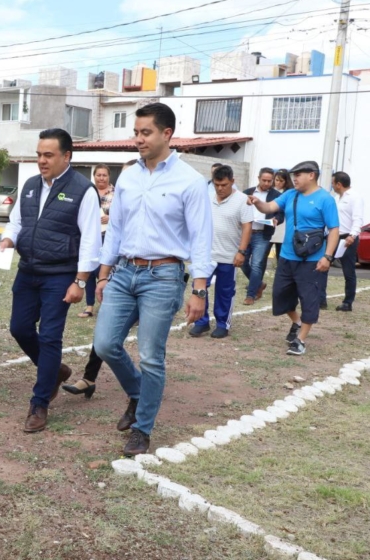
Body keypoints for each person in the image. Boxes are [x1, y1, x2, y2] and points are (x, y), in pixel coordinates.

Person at [94, 102, 213, 456]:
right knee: (105, 345)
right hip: (124, 271)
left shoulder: (190, 181)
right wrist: (103, 274)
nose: (138, 139)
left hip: (163, 275)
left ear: (166, 134)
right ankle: (137, 392)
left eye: (146, 132)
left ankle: (142, 428)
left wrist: (199, 290)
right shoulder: (128, 175)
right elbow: (115, 228)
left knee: (150, 356)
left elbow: (201, 238)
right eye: (136, 132)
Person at [0, 128, 102, 433]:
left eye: (48, 155)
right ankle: (55, 370)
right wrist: (6, 240)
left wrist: (80, 282)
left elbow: (90, 241)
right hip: (28, 270)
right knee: (19, 327)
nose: (41, 161)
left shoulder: (83, 190)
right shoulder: (30, 186)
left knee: (50, 336)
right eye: (38, 155)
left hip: (60, 275)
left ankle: (40, 403)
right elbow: (16, 222)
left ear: (67, 156)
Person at [248, 161, 339, 356]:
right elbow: (268, 207)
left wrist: (328, 257)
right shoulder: (290, 195)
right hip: (287, 256)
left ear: (312, 175)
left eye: (298, 175)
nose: (294, 178)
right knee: (280, 296)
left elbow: (333, 230)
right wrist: (257, 202)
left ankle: (301, 340)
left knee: (309, 299)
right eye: (293, 175)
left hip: (312, 259)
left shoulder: (325, 199)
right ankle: (296, 322)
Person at [64, 159, 137, 399]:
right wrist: (103, 275)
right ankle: (89, 378)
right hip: (120, 273)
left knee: (150, 342)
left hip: (152, 277)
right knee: (104, 329)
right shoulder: (119, 205)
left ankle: (149, 385)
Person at [189, 164, 252, 339]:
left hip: (229, 255)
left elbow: (247, 228)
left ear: (232, 181)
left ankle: (223, 323)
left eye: (224, 184)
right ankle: (201, 322)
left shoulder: (243, 200)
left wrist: (241, 252)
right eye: (217, 184)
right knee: (200, 288)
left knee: (225, 292)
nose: (220, 188)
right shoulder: (207, 198)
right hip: (206, 255)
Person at [241, 167, 282, 305]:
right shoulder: (247, 193)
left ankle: (250, 295)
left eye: (269, 181)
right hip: (246, 233)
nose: (266, 183)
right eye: (264, 180)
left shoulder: (277, 195)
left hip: (262, 234)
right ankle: (259, 284)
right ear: (258, 178)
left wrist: (277, 219)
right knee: (242, 262)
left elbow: (281, 213)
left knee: (257, 264)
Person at [78, 164, 115, 318]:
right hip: (91, 235)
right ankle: (89, 305)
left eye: (104, 175)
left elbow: (124, 214)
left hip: (109, 236)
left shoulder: (117, 193)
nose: (101, 178)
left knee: (106, 271)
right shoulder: (88, 192)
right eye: (98, 175)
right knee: (91, 269)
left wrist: (110, 217)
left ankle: (107, 304)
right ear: (94, 176)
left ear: (109, 177)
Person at [330, 171, 365, 312]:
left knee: (348, 271)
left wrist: (353, 235)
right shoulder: (336, 198)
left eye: (333, 183)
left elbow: (358, 218)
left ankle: (347, 302)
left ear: (339, 184)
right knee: (322, 265)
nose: (332, 186)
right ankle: (320, 299)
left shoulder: (355, 197)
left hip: (347, 238)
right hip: (333, 236)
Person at [270, 169, 292, 262]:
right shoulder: (270, 191)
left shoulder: (289, 193)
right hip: (271, 223)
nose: (278, 183)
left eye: (281, 181)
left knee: (280, 255)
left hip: (283, 225)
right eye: (277, 180)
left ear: (286, 182)